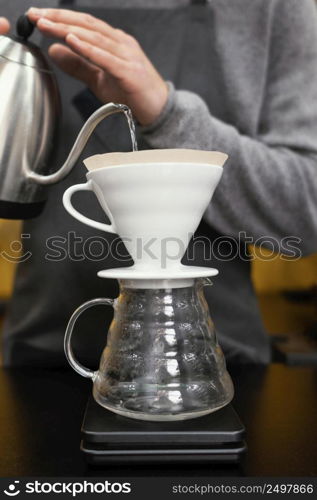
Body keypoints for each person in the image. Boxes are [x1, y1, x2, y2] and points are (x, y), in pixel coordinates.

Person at [2, 0, 317, 366]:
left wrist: (167, 116)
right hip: (38, 365)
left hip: (218, 365)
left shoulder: (273, 7)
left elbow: (307, 211)